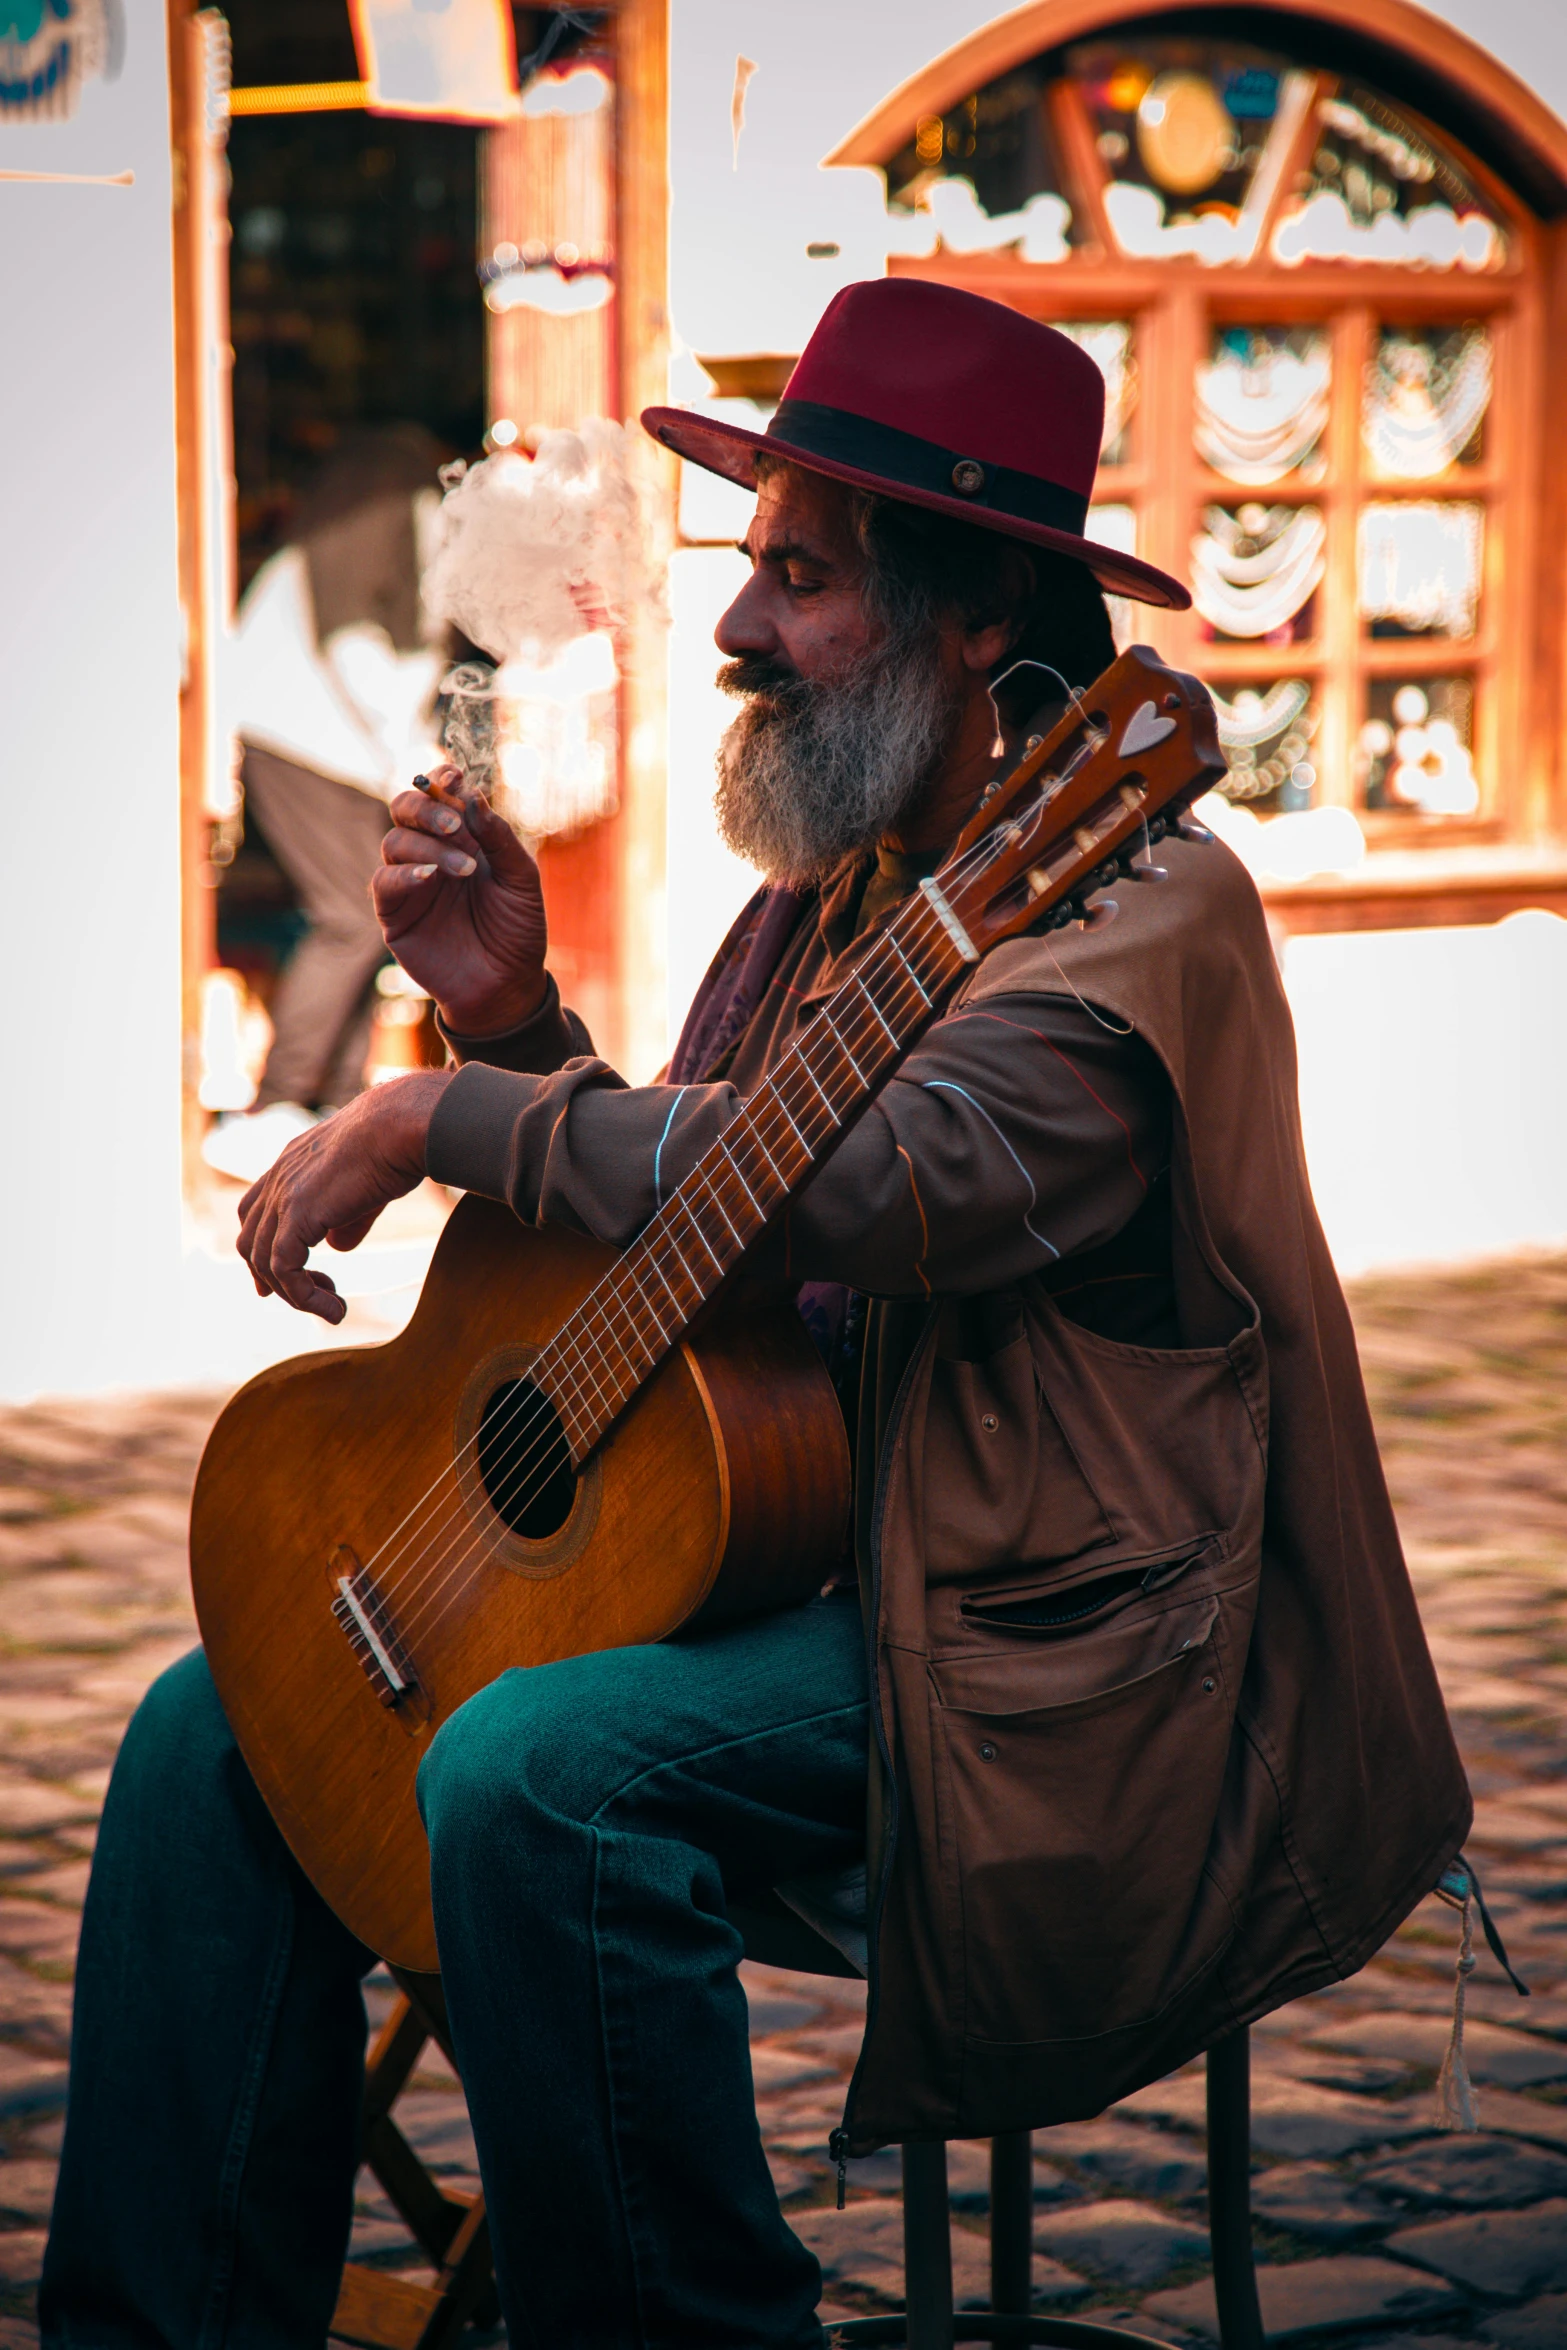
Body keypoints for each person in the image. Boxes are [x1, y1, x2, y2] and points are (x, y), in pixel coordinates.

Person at [43, 282, 1470, 2350]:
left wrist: (458, 1102)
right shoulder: (848, 880)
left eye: (797, 579)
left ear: (981, 614)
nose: (734, 631)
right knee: (207, 1728)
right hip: (790, 1562)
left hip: (1043, 1651)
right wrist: (516, 1013)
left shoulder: (1144, 912)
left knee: (540, 1774)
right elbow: (730, 1260)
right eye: (751, 569)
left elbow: (885, 1186)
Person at [203, 425, 448, 1185]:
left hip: (345, 746)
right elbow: (349, 638)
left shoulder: (419, 497)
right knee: (350, 915)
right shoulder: (388, 475)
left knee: (369, 921)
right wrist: (407, 750)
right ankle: (275, 1106)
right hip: (302, 730)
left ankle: (333, 1109)